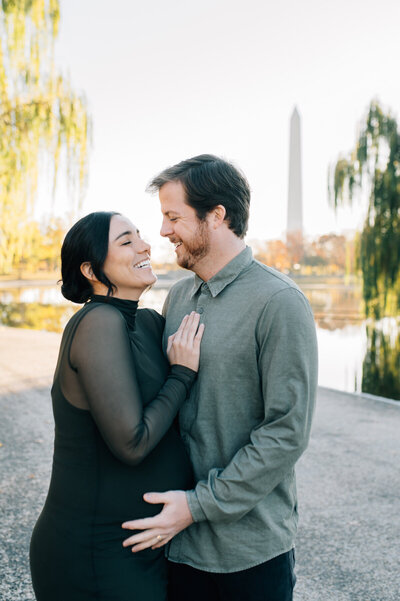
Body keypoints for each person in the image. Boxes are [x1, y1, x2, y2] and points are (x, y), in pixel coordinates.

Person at [122, 155, 318, 601]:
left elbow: (286, 433)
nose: (165, 231)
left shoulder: (280, 302)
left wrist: (196, 506)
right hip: (175, 547)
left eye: (174, 217)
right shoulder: (178, 296)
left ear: (216, 216)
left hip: (249, 553)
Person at [30, 211, 204, 601]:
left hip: (144, 548)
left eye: (140, 236)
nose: (144, 245)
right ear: (92, 270)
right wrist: (182, 375)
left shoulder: (147, 323)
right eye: (126, 241)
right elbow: (132, 442)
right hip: (94, 551)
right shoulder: (97, 323)